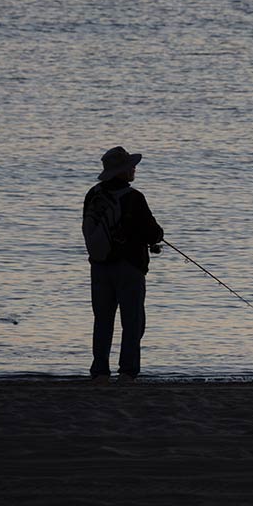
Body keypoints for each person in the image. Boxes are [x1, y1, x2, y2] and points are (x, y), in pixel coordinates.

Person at [85, 145, 164, 383]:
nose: (134, 169)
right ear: (121, 171)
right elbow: (153, 233)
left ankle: (99, 372)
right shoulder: (134, 198)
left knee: (102, 321)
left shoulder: (93, 194)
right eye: (130, 166)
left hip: (99, 266)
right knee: (133, 322)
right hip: (129, 267)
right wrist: (156, 238)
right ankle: (128, 372)